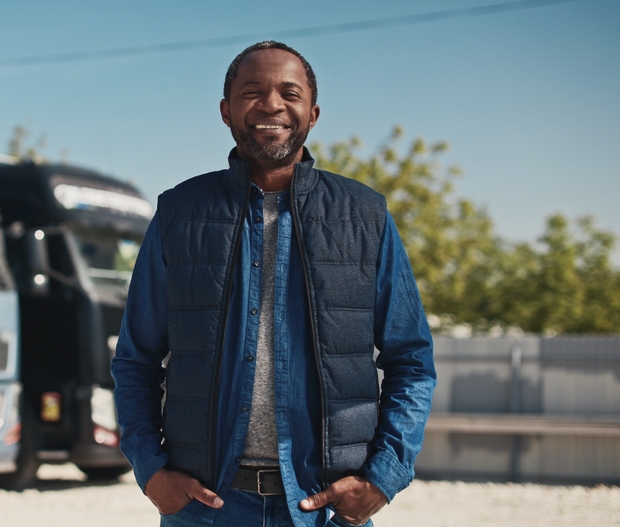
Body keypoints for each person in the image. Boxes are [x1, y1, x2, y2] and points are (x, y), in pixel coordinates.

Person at [110, 40, 436, 527]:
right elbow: (135, 358)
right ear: (226, 110)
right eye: (252, 91)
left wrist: (383, 478)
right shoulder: (180, 212)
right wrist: (150, 469)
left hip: (325, 509)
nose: (271, 105)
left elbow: (411, 359)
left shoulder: (364, 216)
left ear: (313, 112)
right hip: (207, 509)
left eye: (290, 92)